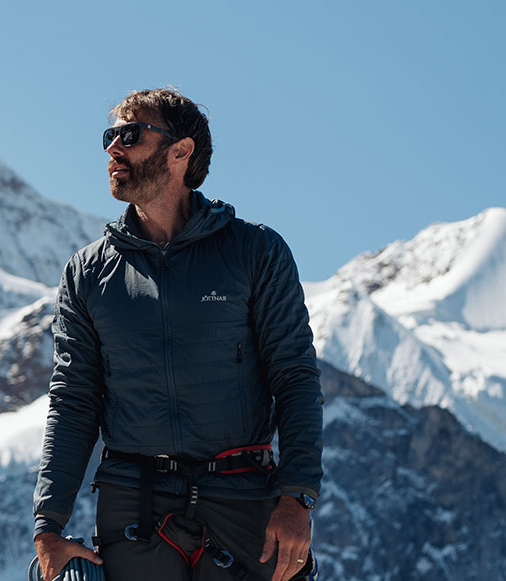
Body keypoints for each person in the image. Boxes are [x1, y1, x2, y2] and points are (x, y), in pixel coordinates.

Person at [32, 88, 323, 581]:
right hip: (133, 504)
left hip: (243, 495)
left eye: (129, 134)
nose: (112, 149)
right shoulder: (87, 273)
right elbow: (74, 400)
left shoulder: (256, 252)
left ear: (181, 152)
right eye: (110, 136)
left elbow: (294, 377)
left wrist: (297, 498)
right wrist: (49, 524)